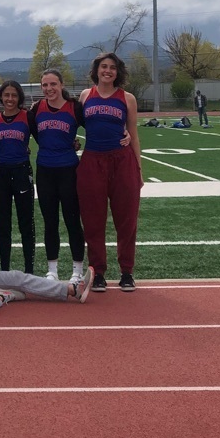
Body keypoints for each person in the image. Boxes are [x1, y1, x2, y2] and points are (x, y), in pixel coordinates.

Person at [77, 52, 143, 292]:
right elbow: (69, 120)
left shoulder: (127, 98)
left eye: (112, 67)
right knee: (93, 220)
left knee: (126, 219)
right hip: (92, 161)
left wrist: (138, 169)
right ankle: (98, 271)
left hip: (121, 161)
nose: (108, 71)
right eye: (103, 66)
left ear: (118, 72)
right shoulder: (85, 96)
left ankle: (127, 272)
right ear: (96, 70)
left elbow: (133, 135)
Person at [29, 69, 89, 285]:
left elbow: (95, 128)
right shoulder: (36, 109)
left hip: (69, 170)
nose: (49, 89)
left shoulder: (74, 107)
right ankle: (52, 270)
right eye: (45, 85)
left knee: (73, 220)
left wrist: (125, 132)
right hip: (45, 170)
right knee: (50, 221)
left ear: (62, 85)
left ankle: (77, 269)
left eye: (53, 84)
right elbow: (36, 135)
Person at [0, 80, 36, 274]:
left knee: (26, 220)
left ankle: (29, 270)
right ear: (1, 96)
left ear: (19, 98)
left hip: (21, 171)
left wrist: (72, 143)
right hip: (0, 171)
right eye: (6, 95)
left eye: (14, 95)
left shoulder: (28, 117)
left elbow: (45, 136)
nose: (10, 99)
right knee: (3, 222)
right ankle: (4, 270)